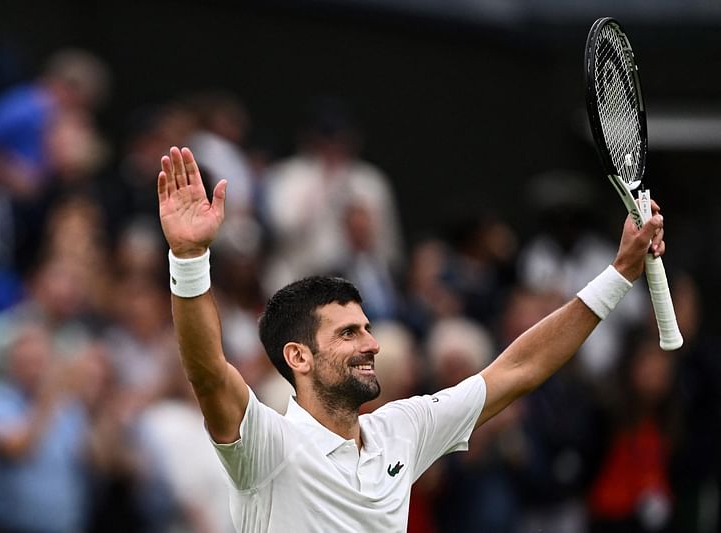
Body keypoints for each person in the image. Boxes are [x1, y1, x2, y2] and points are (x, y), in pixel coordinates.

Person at [157, 146, 666, 532]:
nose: (372, 344)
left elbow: (518, 368)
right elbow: (207, 370)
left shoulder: (401, 430)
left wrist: (620, 272)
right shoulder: (266, 446)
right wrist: (188, 259)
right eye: (349, 333)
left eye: (368, 329)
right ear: (299, 356)